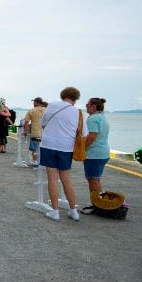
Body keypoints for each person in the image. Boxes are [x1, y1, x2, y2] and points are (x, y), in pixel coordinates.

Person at [40, 87, 88, 222]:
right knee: (66, 179)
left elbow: (42, 123)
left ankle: (55, 212)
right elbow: (84, 134)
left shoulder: (53, 105)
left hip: (49, 145)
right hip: (66, 148)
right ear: (75, 98)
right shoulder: (79, 113)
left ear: (63, 95)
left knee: (52, 178)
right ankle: (73, 211)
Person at [81, 97, 110, 215]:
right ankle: (99, 203)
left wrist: (82, 149)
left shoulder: (92, 119)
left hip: (94, 154)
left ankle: (97, 205)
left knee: (93, 180)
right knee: (96, 180)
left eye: (88, 105)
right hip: (103, 152)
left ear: (93, 106)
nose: (86, 106)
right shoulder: (102, 118)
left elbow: (92, 136)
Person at [23, 97, 46, 166]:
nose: (33, 103)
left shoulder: (31, 110)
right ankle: (43, 162)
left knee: (34, 149)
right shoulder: (46, 110)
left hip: (35, 133)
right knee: (43, 148)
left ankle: (35, 161)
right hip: (44, 133)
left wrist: (25, 131)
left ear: (36, 102)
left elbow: (26, 122)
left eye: (34, 102)